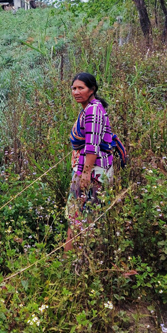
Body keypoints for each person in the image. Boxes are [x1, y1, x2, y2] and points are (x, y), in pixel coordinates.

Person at [64, 72, 122, 251]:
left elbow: (92, 145)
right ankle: (79, 260)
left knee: (81, 217)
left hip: (93, 171)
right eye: (74, 88)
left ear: (92, 89)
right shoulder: (89, 108)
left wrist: (85, 174)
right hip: (88, 169)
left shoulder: (93, 110)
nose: (76, 92)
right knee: (82, 216)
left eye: (81, 88)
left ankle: (72, 261)